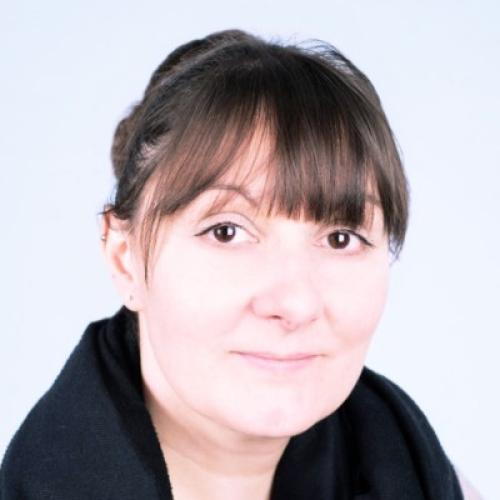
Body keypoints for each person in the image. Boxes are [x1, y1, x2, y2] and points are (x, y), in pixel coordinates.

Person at [0, 29, 479, 499]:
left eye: (340, 238)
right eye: (226, 232)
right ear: (125, 259)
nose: (295, 303)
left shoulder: (413, 468)